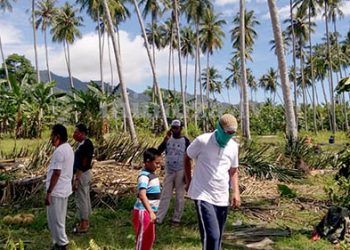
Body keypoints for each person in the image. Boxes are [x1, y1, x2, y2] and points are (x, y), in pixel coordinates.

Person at [184, 114, 241, 250]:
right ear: (220, 128)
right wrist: (189, 180)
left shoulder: (233, 146)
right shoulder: (202, 141)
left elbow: (233, 171)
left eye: (233, 133)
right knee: (213, 236)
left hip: (221, 196)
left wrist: (236, 192)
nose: (229, 136)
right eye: (228, 133)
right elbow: (186, 157)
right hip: (203, 194)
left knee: (217, 238)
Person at [45, 124, 74, 250]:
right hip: (63, 189)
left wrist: (49, 192)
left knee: (56, 220)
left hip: (57, 190)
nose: (51, 138)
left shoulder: (59, 151)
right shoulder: (68, 148)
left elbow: (57, 173)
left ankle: (62, 243)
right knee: (56, 219)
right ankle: (57, 243)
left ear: (57, 136)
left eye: (52, 135)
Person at [157, 119, 190, 225]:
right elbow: (158, 151)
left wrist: (187, 175)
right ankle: (159, 218)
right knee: (165, 195)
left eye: (177, 128)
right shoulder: (168, 139)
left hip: (180, 171)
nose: (175, 130)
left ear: (181, 128)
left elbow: (189, 157)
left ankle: (176, 219)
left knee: (180, 196)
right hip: (169, 171)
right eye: (173, 128)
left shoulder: (185, 140)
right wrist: (165, 140)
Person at [133, 148, 162, 250]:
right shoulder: (144, 177)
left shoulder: (151, 175)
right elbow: (142, 194)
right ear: (148, 162)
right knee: (142, 239)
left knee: (149, 238)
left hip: (150, 212)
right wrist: (150, 211)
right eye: (156, 163)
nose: (158, 166)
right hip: (143, 212)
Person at [72, 124, 94, 233]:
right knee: (85, 196)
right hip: (82, 173)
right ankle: (85, 221)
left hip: (83, 174)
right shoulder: (81, 144)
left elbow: (83, 163)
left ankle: (84, 223)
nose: (74, 134)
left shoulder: (86, 144)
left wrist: (77, 178)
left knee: (81, 198)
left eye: (76, 132)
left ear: (82, 133)